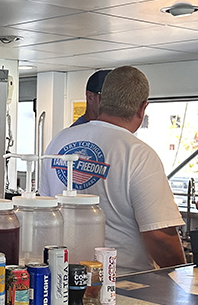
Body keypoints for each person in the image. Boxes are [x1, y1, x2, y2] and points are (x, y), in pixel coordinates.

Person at [40, 66, 186, 274]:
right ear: (142, 108)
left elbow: (45, 211)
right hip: (124, 282)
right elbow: (159, 235)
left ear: (102, 100)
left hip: (61, 277)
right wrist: (183, 272)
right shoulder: (138, 153)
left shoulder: (59, 140)